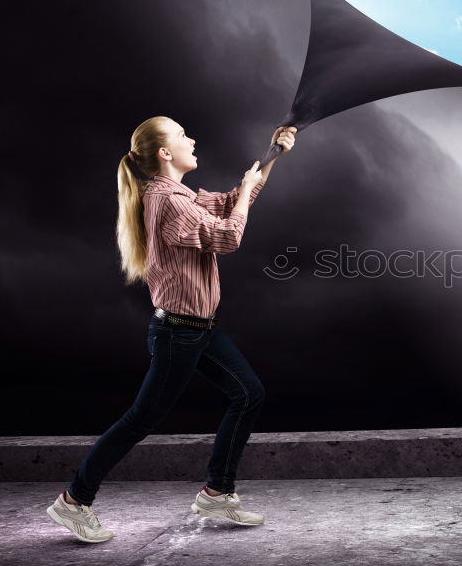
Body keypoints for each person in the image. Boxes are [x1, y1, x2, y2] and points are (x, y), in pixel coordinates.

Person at [46, 116, 297, 543]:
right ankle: (73, 501)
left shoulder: (179, 195)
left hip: (200, 329)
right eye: (182, 135)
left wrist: (272, 155)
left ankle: (217, 491)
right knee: (139, 420)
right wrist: (242, 195)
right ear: (164, 152)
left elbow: (238, 198)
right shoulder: (167, 202)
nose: (192, 139)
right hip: (179, 333)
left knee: (248, 393)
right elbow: (227, 236)